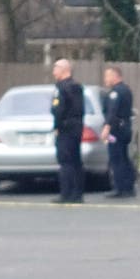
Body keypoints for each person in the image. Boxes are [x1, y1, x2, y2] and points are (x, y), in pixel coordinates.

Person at [50, 59, 85, 204]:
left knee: (65, 161)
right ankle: (77, 193)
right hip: (76, 127)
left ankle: (66, 193)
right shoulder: (77, 87)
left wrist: (57, 127)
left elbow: (59, 110)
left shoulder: (62, 88)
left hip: (65, 128)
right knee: (76, 161)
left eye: (56, 68)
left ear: (64, 70)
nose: (54, 71)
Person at [101, 66, 137, 198]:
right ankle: (129, 186)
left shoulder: (115, 92)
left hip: (116, 131)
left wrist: (107, 127)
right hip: (125, 127)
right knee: (124, 157)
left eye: (107, 76)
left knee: (116, 157)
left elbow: (112, 111)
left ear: (115, 76)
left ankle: (120, 188)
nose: (105, 79)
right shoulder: (126, 90)